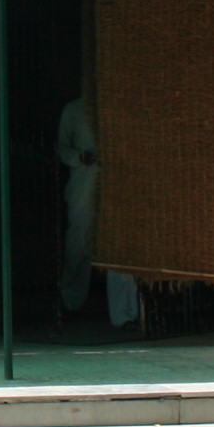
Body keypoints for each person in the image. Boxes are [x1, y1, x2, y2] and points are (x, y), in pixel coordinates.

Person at [57, 95, 139, 327]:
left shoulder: (121, 105)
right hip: (84, 186)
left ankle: (125, 314)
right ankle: (71, 302)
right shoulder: (74, 109)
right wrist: (79, 157)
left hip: (117, 186)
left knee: (119, 248)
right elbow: (62, 147)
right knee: (79, 244)